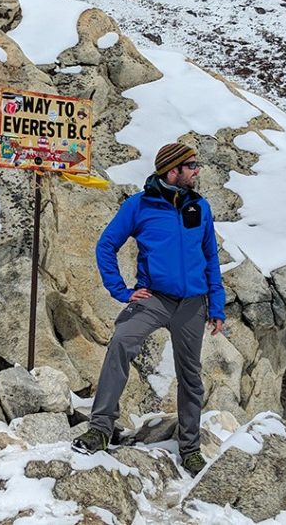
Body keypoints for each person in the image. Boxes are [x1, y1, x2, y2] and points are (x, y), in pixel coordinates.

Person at [72, 142, 226, 477]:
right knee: (121, 342)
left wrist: (217, 306)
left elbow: (210, 258)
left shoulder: (199, 206)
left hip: (193, 304)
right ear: (173, 171)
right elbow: (106, 245)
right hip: (154, 299)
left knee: (190, 375)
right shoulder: (139, 205)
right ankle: (100, 429)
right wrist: (121, 291)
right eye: (191, 165)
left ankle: (190, 449)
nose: (197, 170)